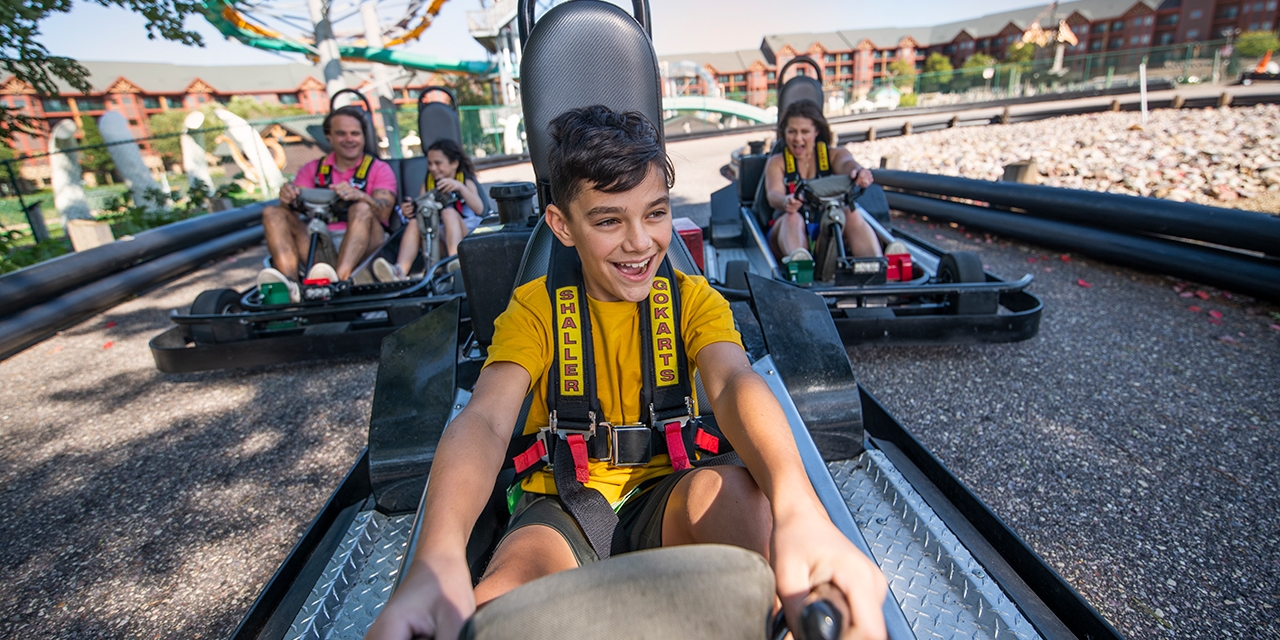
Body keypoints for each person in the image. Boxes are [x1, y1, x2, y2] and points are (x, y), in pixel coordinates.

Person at [365, 106, 887, 640]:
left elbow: (733, 383)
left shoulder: (692, 301)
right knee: (501, 607)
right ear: (562, 225)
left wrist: (799, 506)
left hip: (672, 489)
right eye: (609, 220)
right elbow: (486, 421)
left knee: (746, 504)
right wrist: (439, 553)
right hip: (561, 503)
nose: (640, 242)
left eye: (655, 214)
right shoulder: (535, 310)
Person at [258, 106, 399, 301]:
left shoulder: (378, 169)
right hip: (318, 241)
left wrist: (359, 195)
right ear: (329, 137)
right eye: (341, 134)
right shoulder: (312, 169)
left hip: (365, 243)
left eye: (355, 134)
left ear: (363, 137)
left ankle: (339, 281)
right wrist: (287, 199)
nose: (349, 139)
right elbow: (292, 215)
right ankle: (289, 285)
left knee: (361, 208)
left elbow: (384, 214)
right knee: (272, 212)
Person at [764, 99, 882, 264]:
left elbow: (847, 164)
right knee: (792, 218)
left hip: (828, 226)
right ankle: (800, 264)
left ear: (816, 131)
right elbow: (773, 194)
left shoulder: (833, 155)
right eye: (792, 132)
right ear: (784, 132)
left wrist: (858, 171)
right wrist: (785, 202)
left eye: (805, 131)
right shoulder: (777, 162)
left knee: (851, 213)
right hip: (788, 230)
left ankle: (875, 264)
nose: (798, 138)